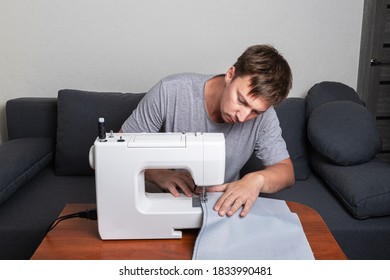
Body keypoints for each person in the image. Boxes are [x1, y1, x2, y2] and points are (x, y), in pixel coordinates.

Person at [120, 44, 295, 217]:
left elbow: (286, 172)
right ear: (230, 75)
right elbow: (117, 150)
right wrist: (156, 173)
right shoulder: (170, 92)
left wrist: (257, 180)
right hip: (167, 201)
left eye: (255, 111)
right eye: (241, 101)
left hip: (222, 207)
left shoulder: (264, 116)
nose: (242, 117)